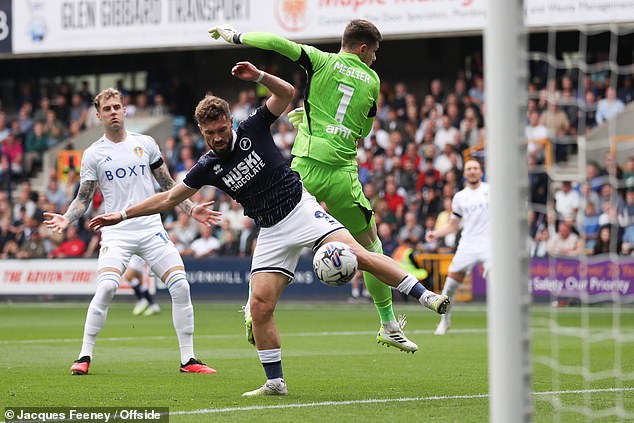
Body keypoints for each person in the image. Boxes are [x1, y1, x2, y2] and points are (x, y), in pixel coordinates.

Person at [89, 62, 449, 396]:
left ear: (230, 121)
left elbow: (288, 93)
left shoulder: (253, 127)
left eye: (221, 129)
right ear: (201, 131)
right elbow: (168, 198)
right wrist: (120, 215)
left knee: (359, 254)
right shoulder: (208, 166)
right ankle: (275, 383)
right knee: (259, 306)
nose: (217, 137)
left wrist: (259, 75)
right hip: (270, 231)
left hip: (300, 208)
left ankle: (426, 297)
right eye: (209, 132)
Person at [208, 19, 423, 353]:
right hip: (341, 173)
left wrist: (237, 36)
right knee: (369, 246)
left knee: (273, 226)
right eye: (375, 52)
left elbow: (276, 42)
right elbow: (364, 130)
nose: (375, 59)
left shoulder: (320, 60)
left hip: (306, 162)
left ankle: (252, 307)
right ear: (364, 49)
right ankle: (388, 324)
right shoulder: (373, 79)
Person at [44, 87, 220, 376]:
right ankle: (84, 356)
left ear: (125, 110)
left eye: (117, 106)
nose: (113, 112)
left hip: (151, 229)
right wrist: (66, 218)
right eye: (107, 108)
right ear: (98, 115)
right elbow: (83, 199)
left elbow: (168, 186)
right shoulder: (93, 154)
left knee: (181, 285)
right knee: (107, 287)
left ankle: (188, 360)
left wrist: (191, 209)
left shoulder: (146, 144)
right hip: (117, 232)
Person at [425, 160, 489, 335]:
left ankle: (506, 321)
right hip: (467, 245)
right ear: (465, 174)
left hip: (489, 244)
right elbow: (454, 225)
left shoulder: (490, 191)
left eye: (475, 168)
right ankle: (444, 321)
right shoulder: (460, 197)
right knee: (450, 286)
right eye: (469, 169)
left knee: (499, 281)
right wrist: (436, 234)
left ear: (481, 171)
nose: (472, 171)